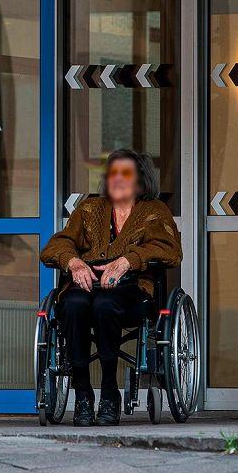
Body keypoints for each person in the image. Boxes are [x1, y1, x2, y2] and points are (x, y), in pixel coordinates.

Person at [39, 150, 181, 426]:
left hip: (131, 288)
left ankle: (108, 392)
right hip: (87, 282)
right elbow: (57, 245)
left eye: (125, 173)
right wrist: (74, 262)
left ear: (140, 180)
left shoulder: (154, 211)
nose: (117, 179)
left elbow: (169, 250)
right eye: (113, 173)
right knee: (73, 305)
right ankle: (82, 395)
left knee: (105, 306)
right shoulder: (90, 209)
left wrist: (128, 260)